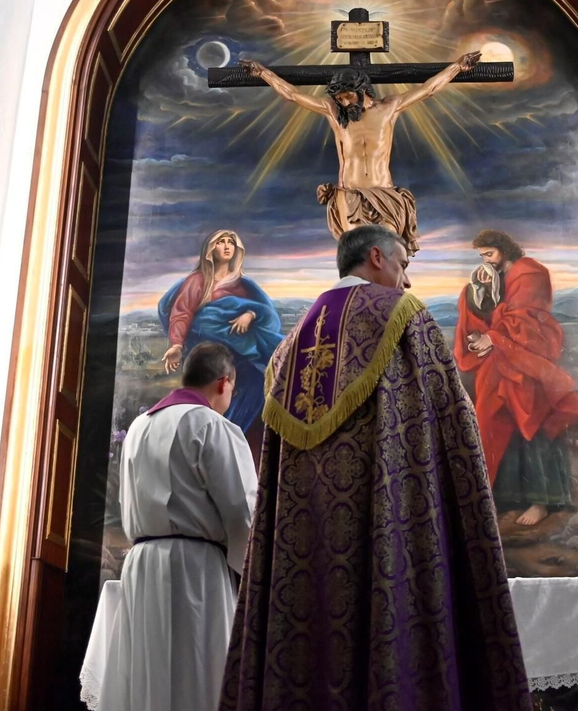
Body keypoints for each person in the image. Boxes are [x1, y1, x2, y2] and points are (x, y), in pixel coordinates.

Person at [221, 225, 531, 711]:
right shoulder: (407, 318)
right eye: (403, 265)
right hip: (395, 533)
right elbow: (454, 425)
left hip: (304, 552)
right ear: (376, 258)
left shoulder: (288, 346)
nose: (406, 281)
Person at [98, 342, 257, 711]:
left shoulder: (139, 427)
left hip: (143, 565)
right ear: (223, 382)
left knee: (146, 677)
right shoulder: (212, 425)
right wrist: (252, 575)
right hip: (195, 570)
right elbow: (243, 512)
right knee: (198, 676)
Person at [238, 53, 480, 255]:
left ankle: (388, 306)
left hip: (384, 192)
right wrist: (263, 74)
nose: (344, 102)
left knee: (388, 252)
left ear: (363, 90)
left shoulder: (389, 108)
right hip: (350, 194)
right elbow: (291, 94)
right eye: (340, 98)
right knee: (357, 255)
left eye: (348, 95)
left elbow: (428, 89)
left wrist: (457, 67)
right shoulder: (333, 112)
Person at [454, 230, 578, 527]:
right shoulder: (493, 277)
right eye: (482, 256)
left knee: (535, 424)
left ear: (504, 249)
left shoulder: (530, 273)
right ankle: (507, 499)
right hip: (499, 365)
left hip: (528, 363)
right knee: (496, 426)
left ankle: (543, 501)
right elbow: (490, 313)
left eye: (489, 254)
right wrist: (479, 298)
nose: (486, 261)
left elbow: (527, 318)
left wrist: (494, 337)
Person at [158, 230, 285, 434]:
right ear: (210, 249)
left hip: (242, 359)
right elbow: (182, 313)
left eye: (231, 242)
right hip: (211, 361)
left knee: (257, 391)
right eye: (221, 242)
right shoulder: (198, 281)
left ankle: (238, 443)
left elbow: (268, 314)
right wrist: (176, 344)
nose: (227, 246)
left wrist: (250, 314)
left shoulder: (244, 285)